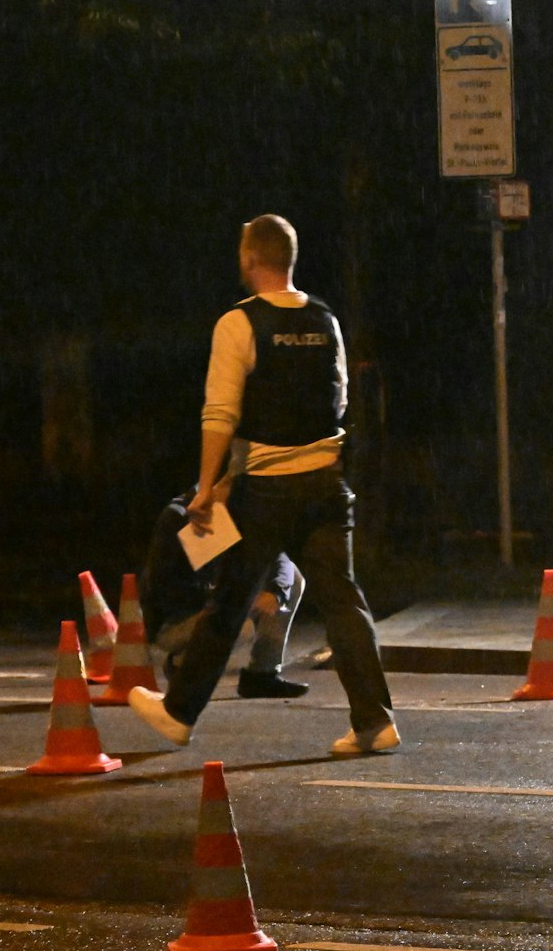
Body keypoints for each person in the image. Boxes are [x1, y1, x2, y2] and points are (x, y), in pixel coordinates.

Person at [129, 214, 398, 753]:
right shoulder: (326, 320)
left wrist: (207, 487)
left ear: (250, 259)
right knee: (345, 602)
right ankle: (375, 720)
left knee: (230, 601)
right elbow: (338, 402)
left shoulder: (239, 323)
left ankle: (179, 713)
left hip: (265, 490)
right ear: (290, 259)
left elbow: (219, 414)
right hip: (325, 484)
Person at [140, 487, 310, 699]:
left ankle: (262, 674)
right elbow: (160, 589)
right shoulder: (181, 518)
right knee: (240, 626)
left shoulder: (236, 509)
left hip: (216, 603)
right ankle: (181, 666)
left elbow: (278, 555)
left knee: (290, 579)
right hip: (175, 621)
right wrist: (214, 606)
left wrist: (275, 592)